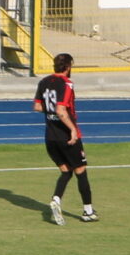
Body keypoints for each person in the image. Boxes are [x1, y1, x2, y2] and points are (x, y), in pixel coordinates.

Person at [35, 52, 95, 225]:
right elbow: (61, 111)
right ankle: (88, 211)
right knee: (81, 172)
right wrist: (73, 130)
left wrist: (51, 112)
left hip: (50, 137)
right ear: (68, 67)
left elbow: (38, 106)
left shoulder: (44, 82)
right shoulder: (67, 84)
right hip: (65, 137)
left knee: (66, 171)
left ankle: (56, 199)